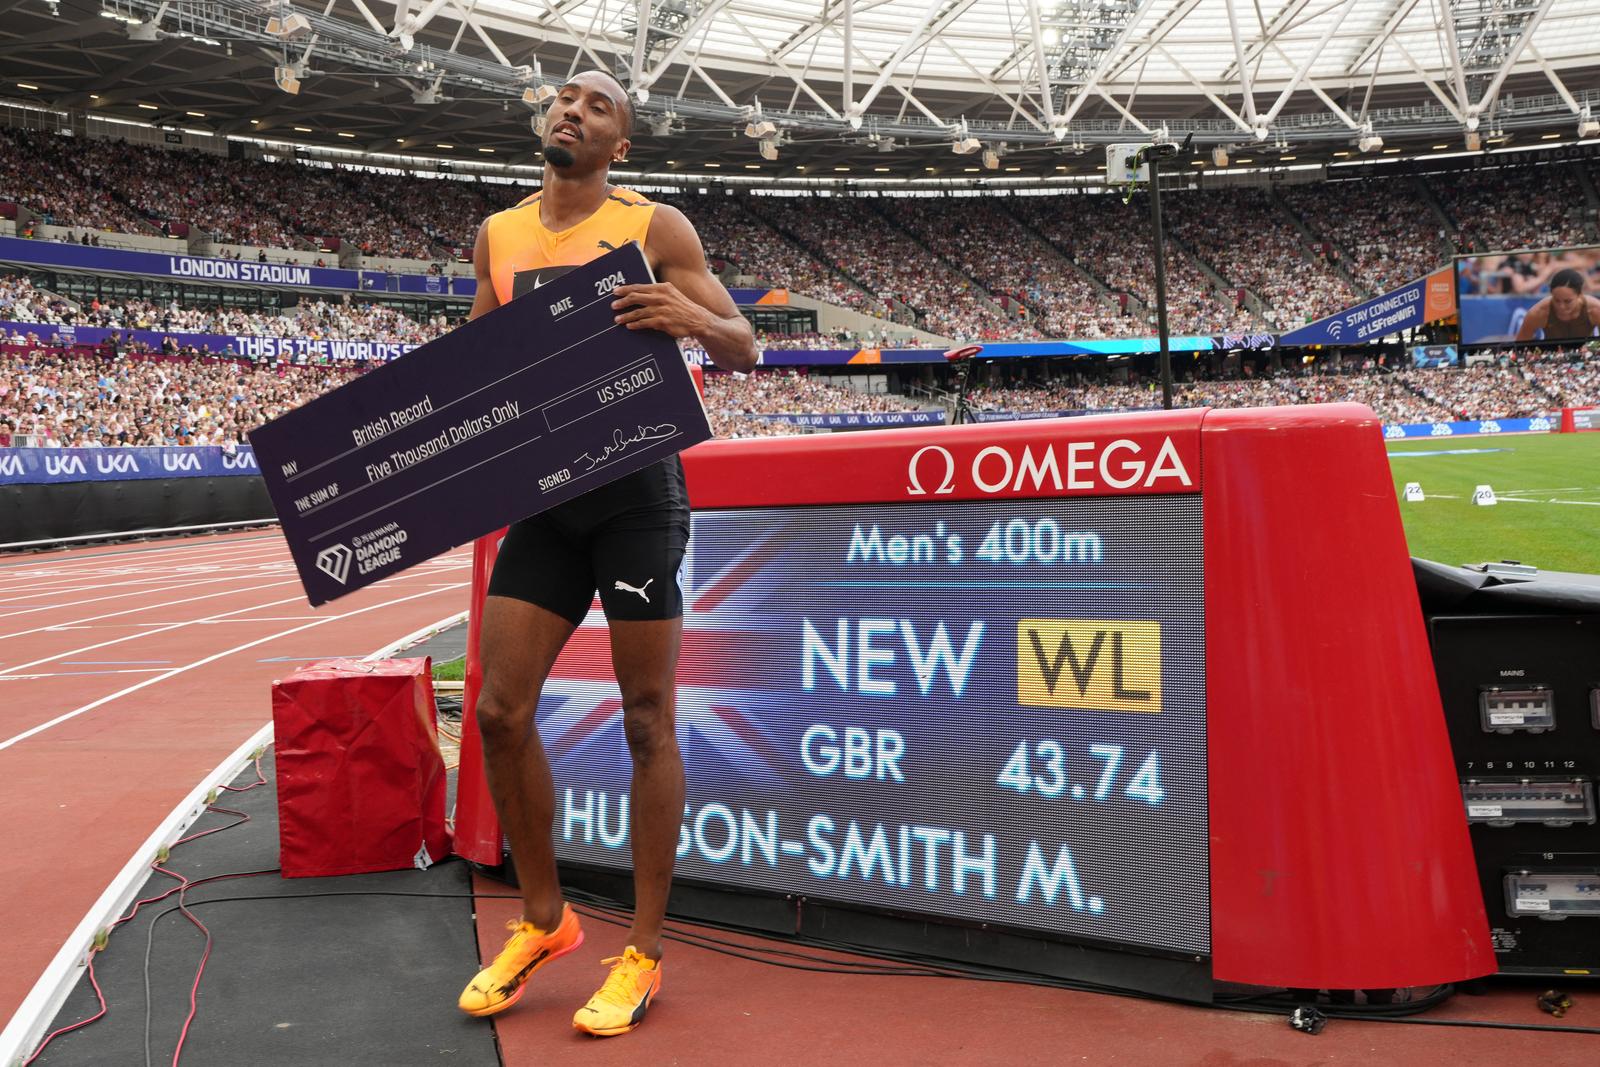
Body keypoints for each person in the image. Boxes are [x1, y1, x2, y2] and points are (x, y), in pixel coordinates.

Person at [455, 69, 758, 1036]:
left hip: (634, 495)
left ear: (619, 146)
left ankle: (643, 951)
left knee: (644, 719)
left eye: (599, 107)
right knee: (499, 711)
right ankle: (545, 921)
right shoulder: (498, 236)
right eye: (565, 98)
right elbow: (474, 362)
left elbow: (744, 343)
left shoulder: (654, 227)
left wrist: (696, 322)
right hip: (545, 503)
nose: (574, 110)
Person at [1515, 267, 1600, 341]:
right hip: (1550, 355)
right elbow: (1520, 346)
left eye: (1568, 301)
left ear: (1580, 295)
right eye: (1556, 300)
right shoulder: (1538, 313)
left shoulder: (1595, 310)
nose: (1561, 307)